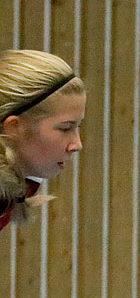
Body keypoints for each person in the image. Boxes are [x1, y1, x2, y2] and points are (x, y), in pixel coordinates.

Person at [0, 49, 85, 232]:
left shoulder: (13, 192)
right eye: (65, 128)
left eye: (78, 127)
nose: (77, 145)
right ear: (14, 127)